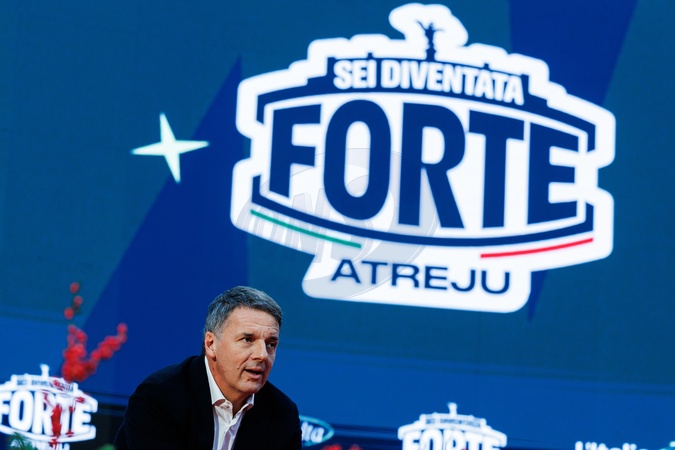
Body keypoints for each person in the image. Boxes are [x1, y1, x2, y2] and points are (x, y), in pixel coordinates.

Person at [113, 286, 302, 450]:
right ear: (211, 344)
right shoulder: (160, 396)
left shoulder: (282, 414)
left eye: (271, 344)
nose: (262, 355)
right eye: (247, 340)